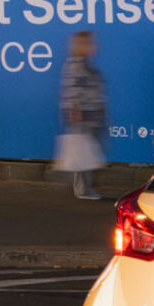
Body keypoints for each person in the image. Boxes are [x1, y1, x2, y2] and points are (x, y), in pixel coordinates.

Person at [54, 30, 107, 200]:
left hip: (92, 115)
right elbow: (71, 93)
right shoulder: (75, 66)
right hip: (84, 117)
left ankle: (86, 186)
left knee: (89, 152)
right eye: (88, 43)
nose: (93, 46)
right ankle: (83, 189)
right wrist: (75, 114)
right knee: (84, 153)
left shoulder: (85, 65)